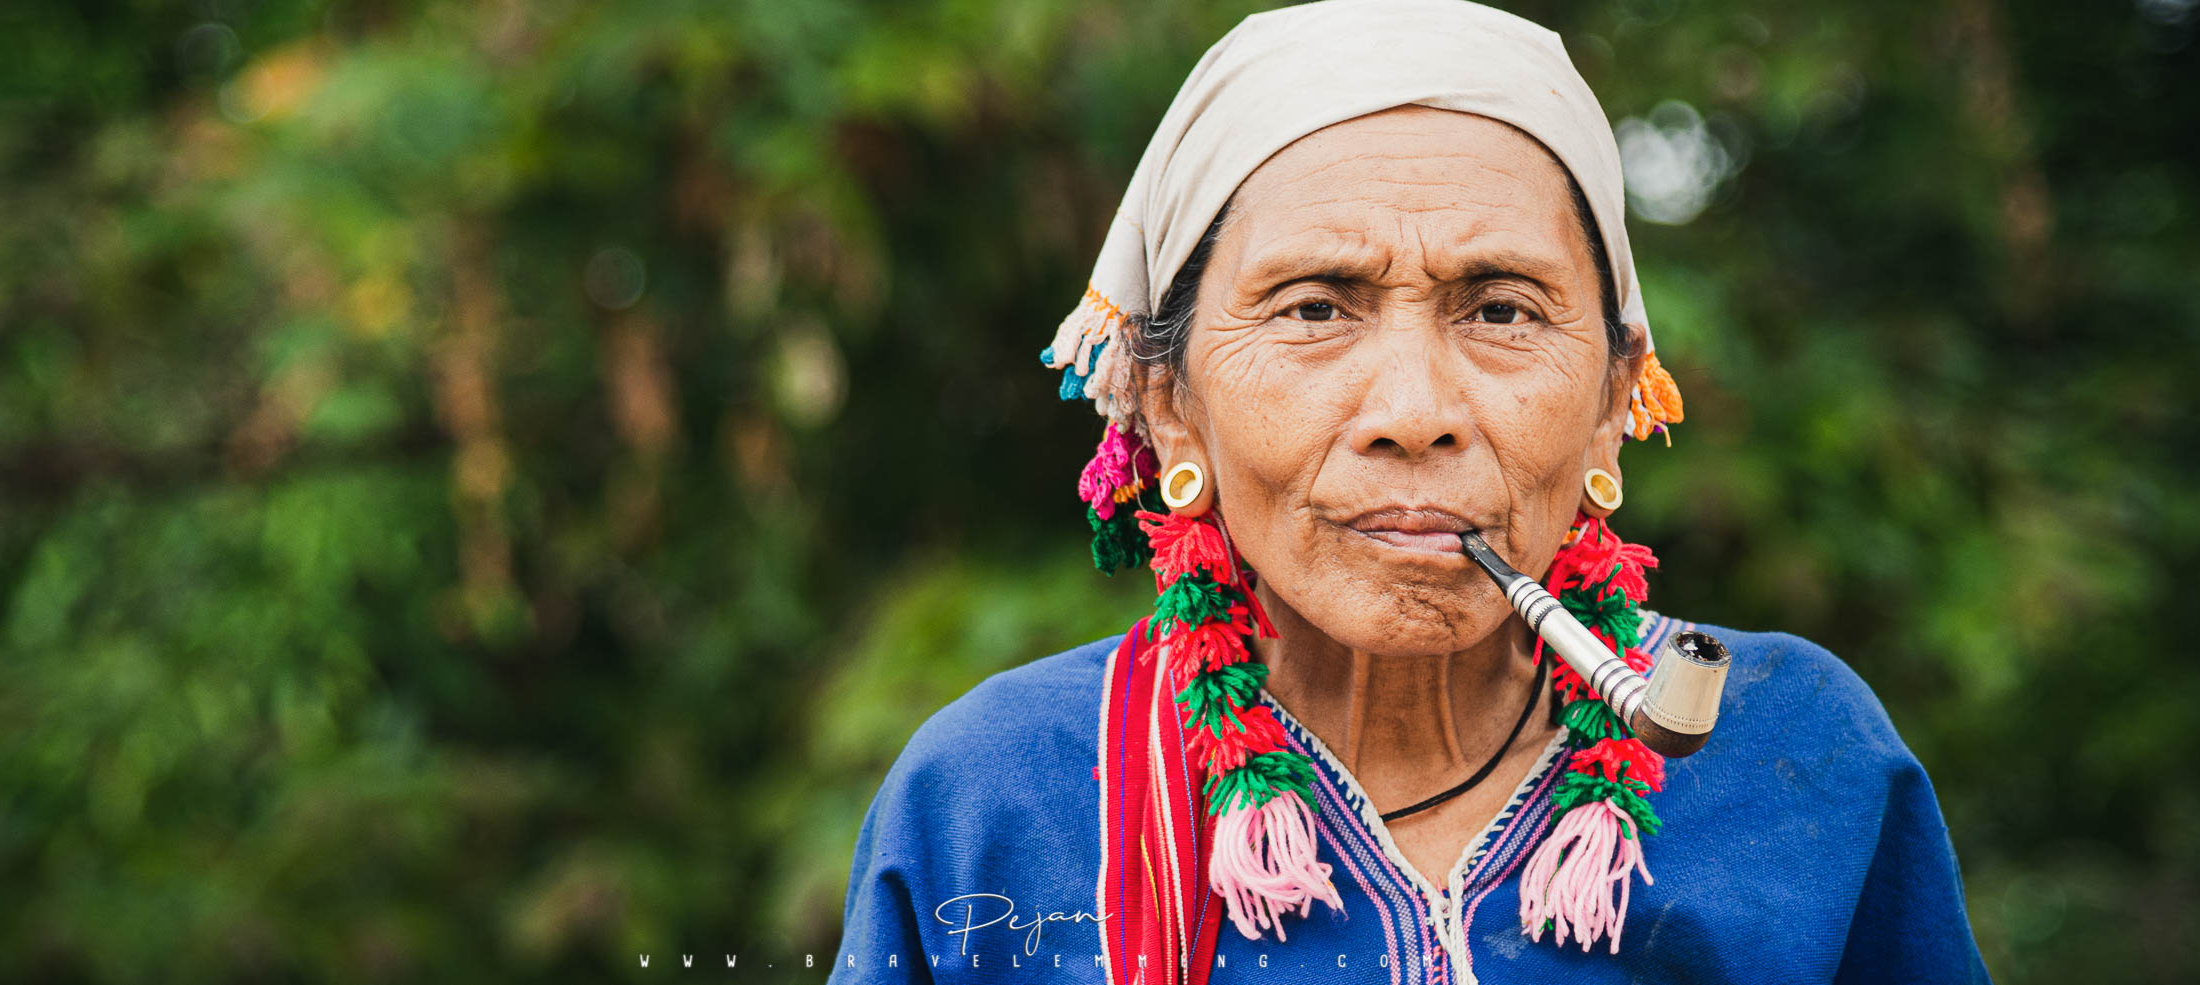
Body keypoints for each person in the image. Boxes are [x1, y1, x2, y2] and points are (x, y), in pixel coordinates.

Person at [829, 1, 1987, 981]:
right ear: (1169, 403)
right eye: (1314, 308)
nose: (1413, 409)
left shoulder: (1796, 757)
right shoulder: (990, 802)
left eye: (1500, 310)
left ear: (1609, 401)